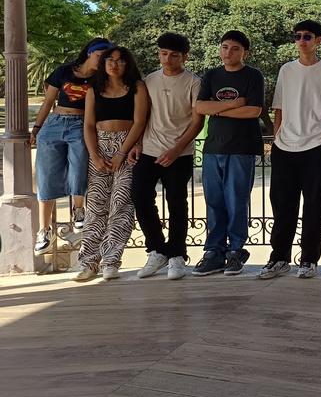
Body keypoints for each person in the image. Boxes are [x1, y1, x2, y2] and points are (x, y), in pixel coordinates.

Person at [259, 20, 321, 280]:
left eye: (307, 36)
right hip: (285, 146)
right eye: (297, 36)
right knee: (282, 205)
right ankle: (279, 258)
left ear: (318, 40)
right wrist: (276, 138)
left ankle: (308, 259)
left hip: (315, 146)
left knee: (314, 206)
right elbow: (279, 107)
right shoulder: (286, 70)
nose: (301, 41)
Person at [130, 33, 204, 281]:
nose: (168, 58)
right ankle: (157, 250)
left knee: (176, 203)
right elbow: (142, 116)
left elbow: (197, 121)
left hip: (179, 154)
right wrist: (138, 143)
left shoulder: (194, 83)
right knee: (140, 198)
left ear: (184, 57)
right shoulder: (149, 80)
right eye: (163, 53)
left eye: (174, 54)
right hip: (148, 150)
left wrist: (176, 149)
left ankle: (177, 255)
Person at [193, 31, 265, 277]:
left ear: (245, 53)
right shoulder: (211, 75)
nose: (228, 52)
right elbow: (200, 106)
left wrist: (216, 108)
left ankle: (235, 251)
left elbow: (253, 111)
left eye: (235, 49)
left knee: (236, 201)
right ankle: (213, 252)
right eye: (225, 47)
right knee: (214, 202)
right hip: (213, 148)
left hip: (242, 148)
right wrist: (233, 104)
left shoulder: (253, 75)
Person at [29, 38, 110, 254]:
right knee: (46, 175)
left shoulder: (102, 79)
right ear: (90, 53)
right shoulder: (64, 71)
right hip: (55, 123)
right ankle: (44, 230)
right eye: (100, 55)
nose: (103, 60)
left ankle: (79, 210)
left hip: (81, 125)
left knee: (79, 167)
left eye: (107, 57)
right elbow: (48, 101)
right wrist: (37, 128)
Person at [75, 47, 149, 281]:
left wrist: (121, 152)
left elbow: (140, 121)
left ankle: (111, 261)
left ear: (128, 64)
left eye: (120, 61)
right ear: (103, 63)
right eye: (110, 60)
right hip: (100, 146)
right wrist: (95, 156)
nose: (114, 65)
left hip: (126, 147)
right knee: (96, 207)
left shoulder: (137, 87)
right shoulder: (94, 89)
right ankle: (88, 263)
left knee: (121, 204)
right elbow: (88, 125)